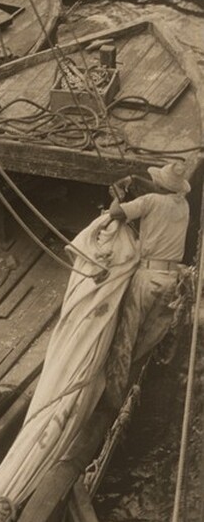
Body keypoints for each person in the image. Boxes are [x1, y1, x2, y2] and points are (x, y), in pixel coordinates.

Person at [104, 161, 190, 406]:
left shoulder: (150, 201)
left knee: (126, 338)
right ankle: (132, 391)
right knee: (147, 340)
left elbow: (116, 214)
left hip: (148, 277)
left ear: (160, 186)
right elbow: (160, 190)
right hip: (171, 281)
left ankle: (111, 402)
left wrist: (118, 195)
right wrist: (133, 179)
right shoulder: (183, 205)